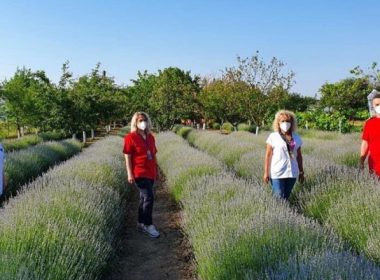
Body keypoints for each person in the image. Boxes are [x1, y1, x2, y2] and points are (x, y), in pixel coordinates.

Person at [123, 112, 160, 238]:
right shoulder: (130, 137)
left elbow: (154, 154)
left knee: (143, 198)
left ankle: (140, 223)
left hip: (150, 171)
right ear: (135, 122)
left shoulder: (150, 137)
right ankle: (148, 225)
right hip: (139, 172)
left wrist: (157, 169)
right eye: (140, 120)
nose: (142, 122)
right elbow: (127, 156)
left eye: (144, 120)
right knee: (149, 197)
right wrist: (129, 173)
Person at [263, 110, 304, 200]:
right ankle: (276, 213)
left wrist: (301, 172)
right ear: (278, 123)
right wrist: (266, 173)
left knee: (286, 197)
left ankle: (283, 213)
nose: (286, 123)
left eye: (288, 121)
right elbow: (268, 156)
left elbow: (299, 156)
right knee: (278, 196)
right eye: (283, 121)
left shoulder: (296, 137)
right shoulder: (273, 136)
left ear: (292, 123)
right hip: (278, 172)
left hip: (292, 172)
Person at [360, 93, 380, 177]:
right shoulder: (369, 123)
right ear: (373, 106)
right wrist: (361, 161)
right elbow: (365, 143)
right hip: (374, 166)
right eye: (377, 105)